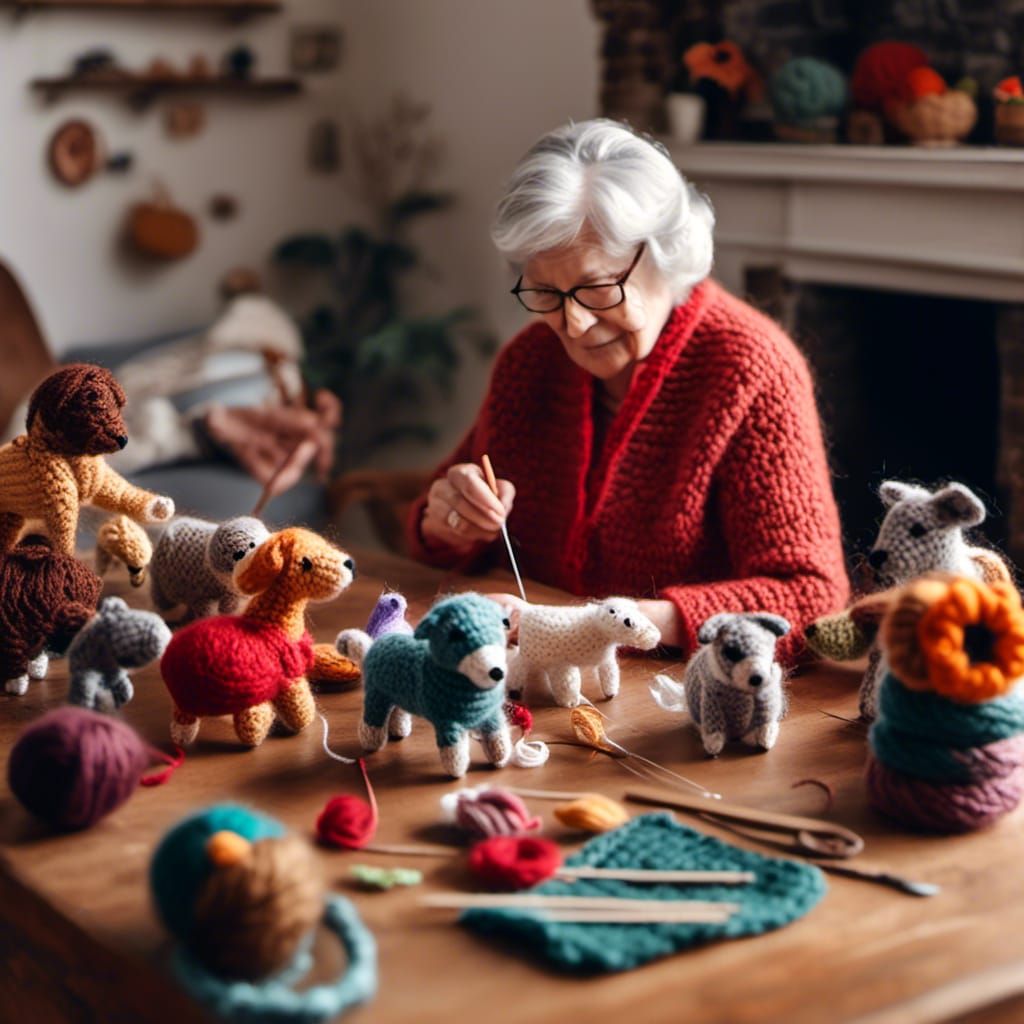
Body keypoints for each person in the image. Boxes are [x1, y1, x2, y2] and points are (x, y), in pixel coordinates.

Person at [406, 119, 848, 657]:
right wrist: (450, 520)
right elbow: (433, 536)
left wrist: (610, 622)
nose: (573, 324)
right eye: (545, 291)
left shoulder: (751, 368)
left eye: (596, 288)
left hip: (683, 699)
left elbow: (810, 599)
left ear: (668, 252)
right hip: (536, 683)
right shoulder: (530, 360)